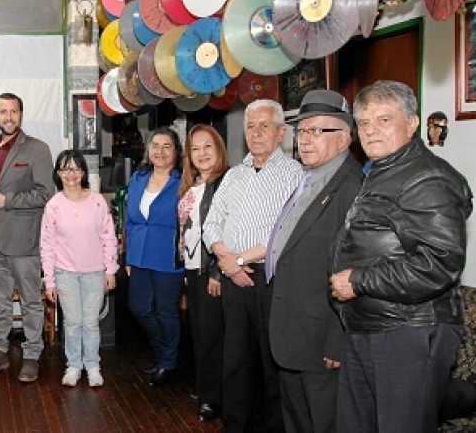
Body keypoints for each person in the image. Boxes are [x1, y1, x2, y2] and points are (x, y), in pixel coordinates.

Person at [330, 80, 473, 433]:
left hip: (408, 331)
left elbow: (439, 263)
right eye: (364, 122)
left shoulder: (427, 178)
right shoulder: (384, 171)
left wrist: (358, 280)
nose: (371, 131)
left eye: (384, 120)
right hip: (372, 325)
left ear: (412, 124)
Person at [266, 90, 363, 433]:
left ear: (344, 137)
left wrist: (336, 340)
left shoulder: (352, 186)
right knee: (297, 420)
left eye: (317, 131)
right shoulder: (311, 178)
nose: (305, 140)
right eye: (302, 131)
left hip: (321, 338)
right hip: (293, 330)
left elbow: (353, 268)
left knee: (325, 422)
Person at [203, 99, 302, 433]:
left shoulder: (294, 175)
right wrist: (226, 260)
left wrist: (239, 260)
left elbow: (285, 232)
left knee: (273, 363)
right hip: (232, 277)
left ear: (281, 132)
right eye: (250, 126)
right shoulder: (234, 175)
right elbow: (211, 223)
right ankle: (235, 426)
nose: (256, 133)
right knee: (235, 360)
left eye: (264, 126)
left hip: (269, 279)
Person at [0, 92, 55, 383]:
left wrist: (8, 200)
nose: (8, 117)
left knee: (30, 301)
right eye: (3, 111)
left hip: (25, 240)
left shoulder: (38, 149)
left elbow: (46, 193)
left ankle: (32, 355)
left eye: (13, 111)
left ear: (21, 115)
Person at [41, 149, 118, 388]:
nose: (71, 174)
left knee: (91, 323)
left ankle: (93, 366)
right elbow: (47, 245)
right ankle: (74, 365)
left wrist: (110, 269)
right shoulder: (53, 205)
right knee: (73, 323)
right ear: (58, 173)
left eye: (75, 168)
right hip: (65, 273)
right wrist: (49, 281)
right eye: (65, 169)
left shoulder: (97, 201)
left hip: (95, 272)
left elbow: (108, 236)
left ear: (83, 172)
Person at [176, 124, 229, 422]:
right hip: (192, 268)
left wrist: (216, 272)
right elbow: (186, 230)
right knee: (198, 334)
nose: (202, 153)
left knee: (211, 336)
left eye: (208, 146)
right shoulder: (191, 185)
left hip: (212, 270)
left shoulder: (226, 183)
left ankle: (212, 398)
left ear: (218, 148)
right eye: (195, 148)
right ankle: (206, 387)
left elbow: (228, 231)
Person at [125, 127, 185, 387]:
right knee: (138, 308)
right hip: (139, 255)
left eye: (166, 146)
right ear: (148, 151)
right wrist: (128, 256)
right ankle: (164, 354)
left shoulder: (183, 182)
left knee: (166, 312)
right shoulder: (138, 178)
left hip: (168, 255)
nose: (160, 151)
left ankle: (167, 363)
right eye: (155, 146)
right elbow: (130, 220)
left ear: (176, 151)